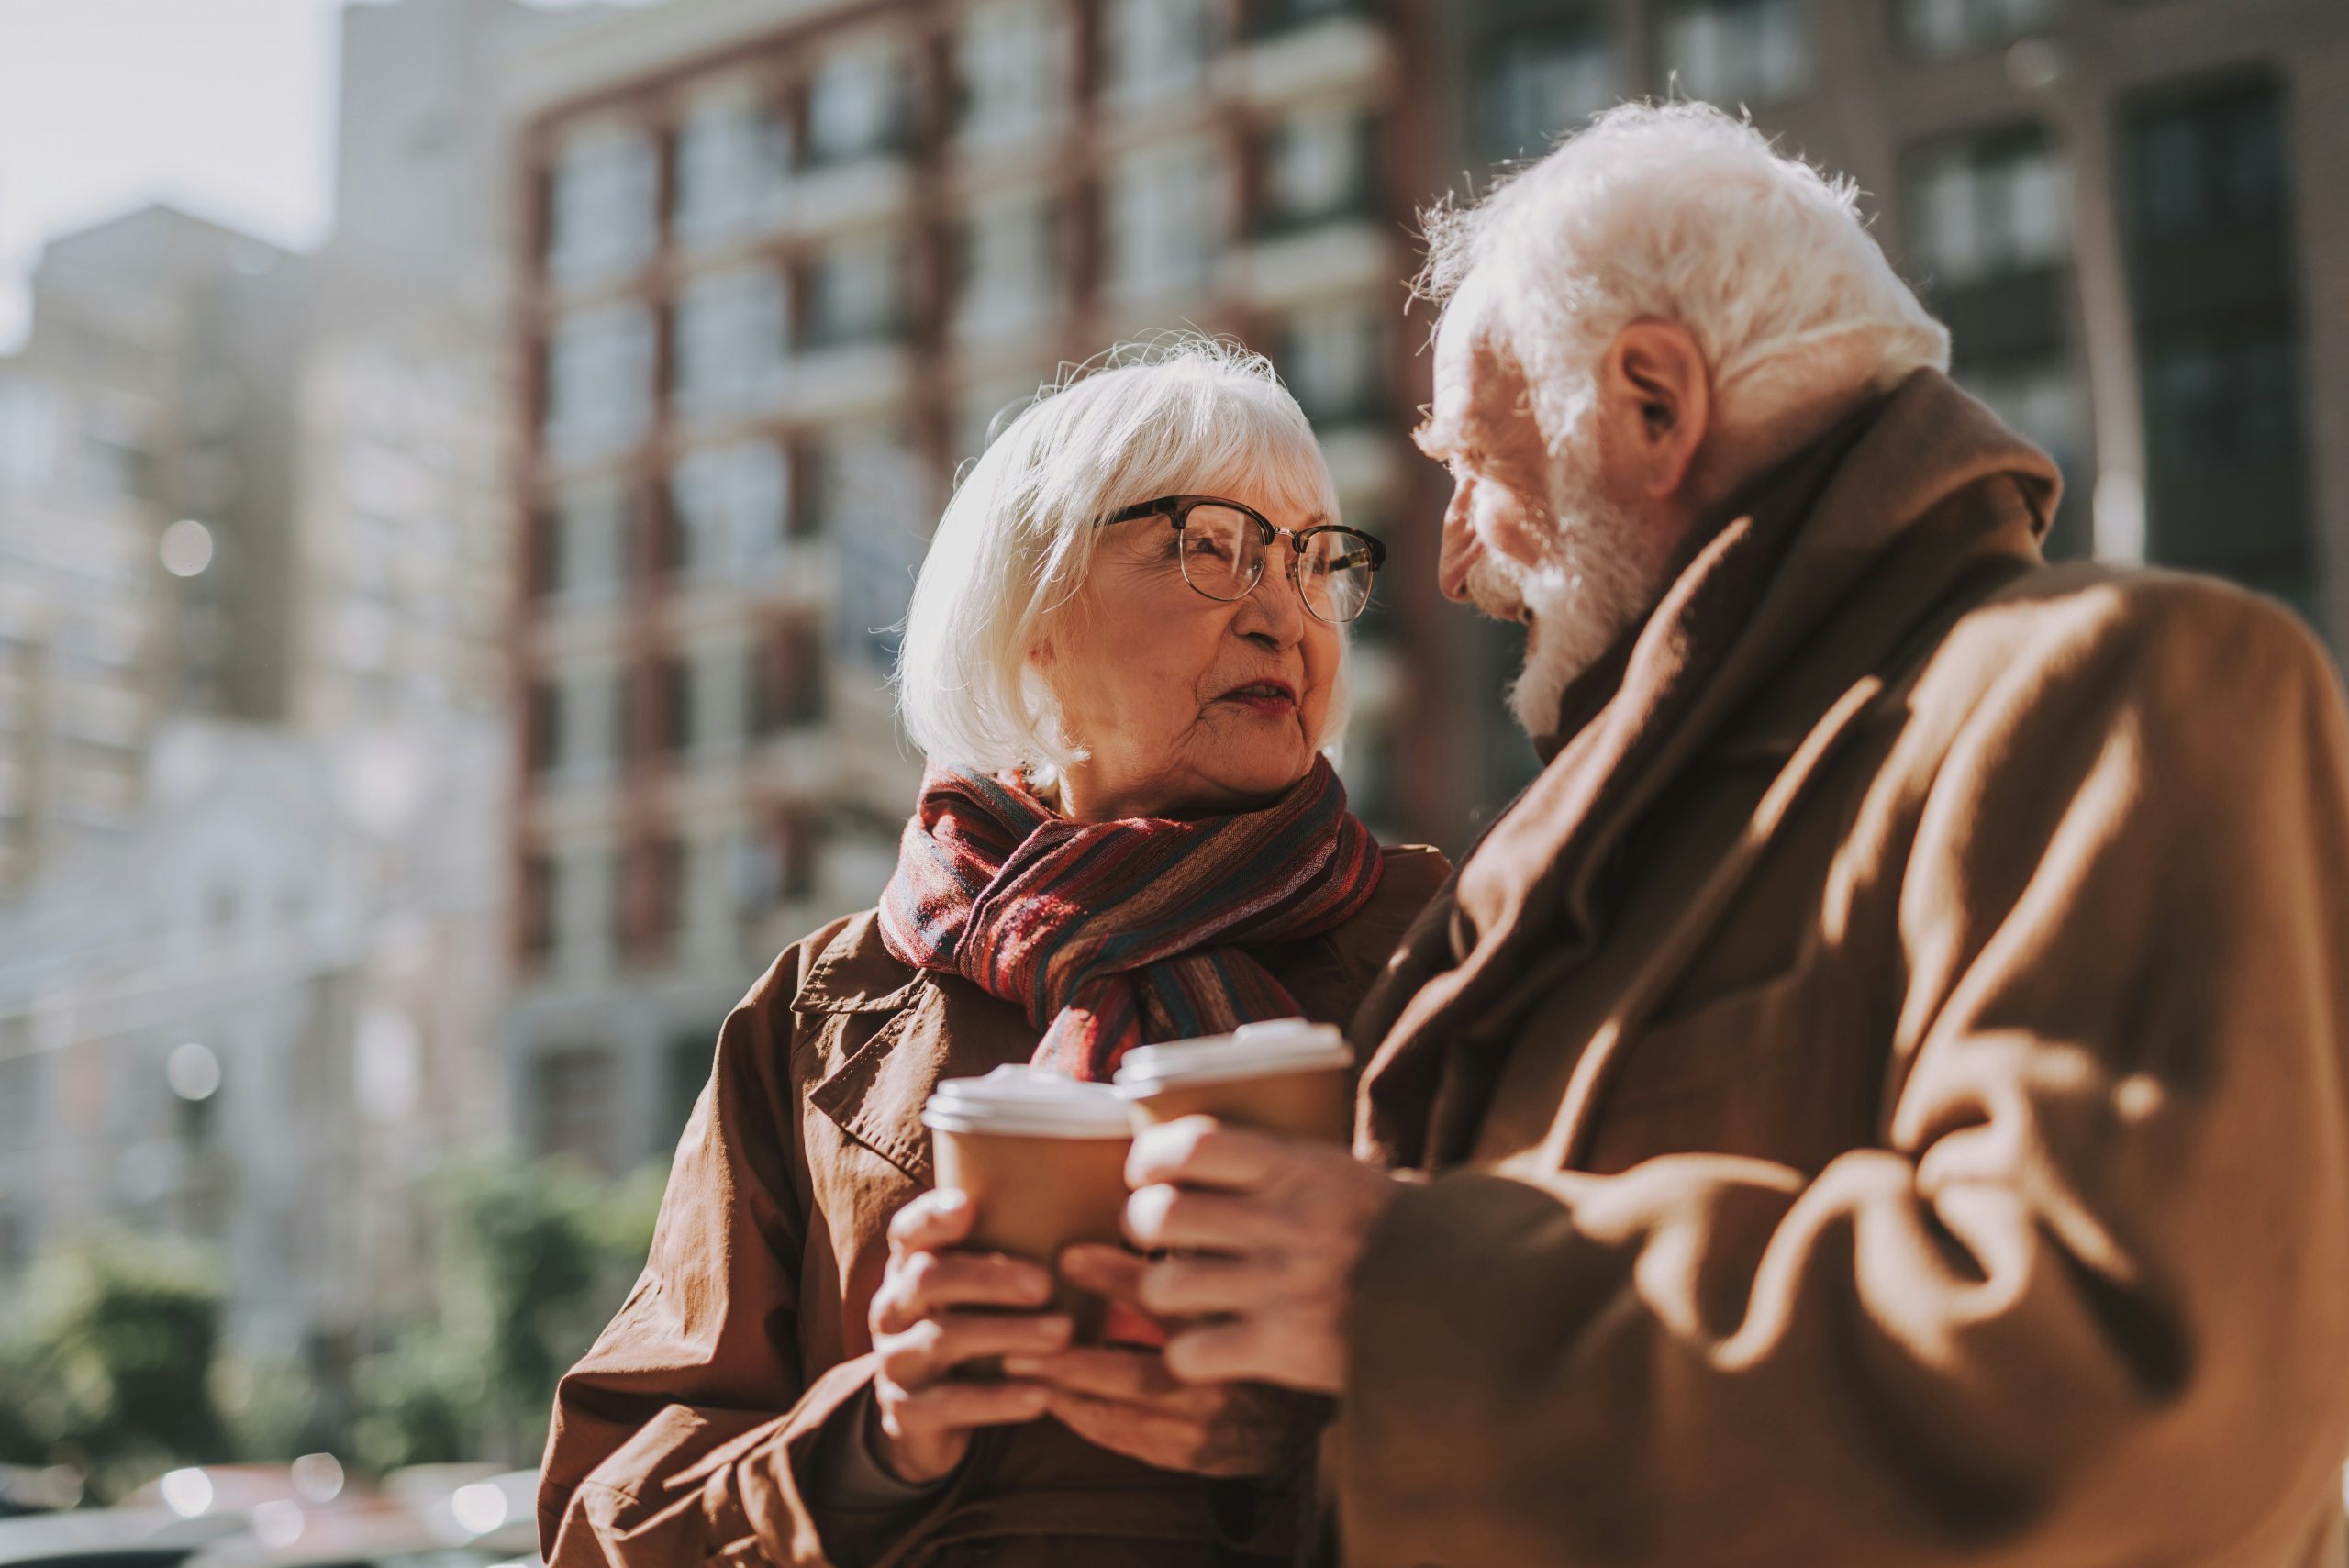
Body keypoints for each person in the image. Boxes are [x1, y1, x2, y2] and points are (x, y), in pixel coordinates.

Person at [1097, 104, 2349, 1565]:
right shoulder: (1625, 835)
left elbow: (2130, 1385)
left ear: (1651, 402)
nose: (1451, 560)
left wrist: (1401, 1297)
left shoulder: (2125, 686)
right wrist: (1292, 1416)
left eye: (1478, 465)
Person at [536, 339, 1449, 1568]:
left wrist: (1325, 1425)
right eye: (1211, 546)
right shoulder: (821, 1011)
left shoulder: (1447, 949)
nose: (1283, 614)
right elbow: (606, 1517)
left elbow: (1614, 1388)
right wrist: (871, 1440)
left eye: (1312, 561)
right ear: (1033, 621)